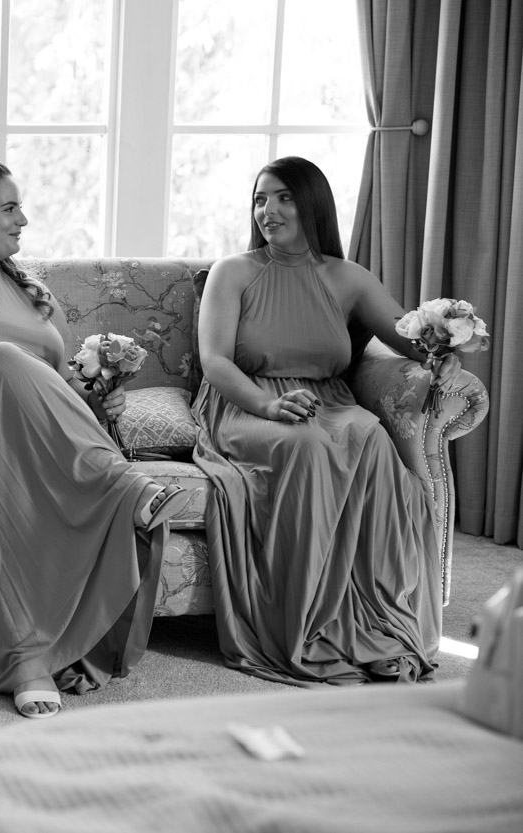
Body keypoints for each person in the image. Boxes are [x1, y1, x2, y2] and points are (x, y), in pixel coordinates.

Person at [0, 156, 192, 719]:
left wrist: (98, 397)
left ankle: (34, 655)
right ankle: (121, 487)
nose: (23, 219)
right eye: (9, 207)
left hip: (25, 438)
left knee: (11, 372)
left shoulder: (33, 292)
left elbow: (59, 383)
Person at [193, 155, 461, 687]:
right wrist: (268, 406)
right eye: (260, 199)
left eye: (283, 197)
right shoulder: (233, 272)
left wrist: (442, 351)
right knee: (307, 449)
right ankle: (309, 624)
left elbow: (409, 338)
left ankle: (377, 623)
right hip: (247, 403)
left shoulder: (348, 278)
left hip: (329, 399)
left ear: (312, 202)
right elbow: (215, 361)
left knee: (372, 441)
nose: (268, 210)